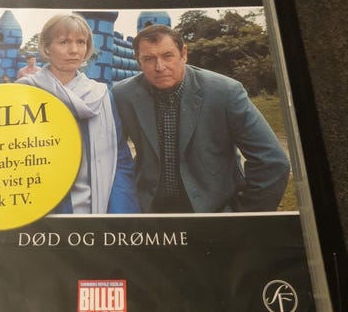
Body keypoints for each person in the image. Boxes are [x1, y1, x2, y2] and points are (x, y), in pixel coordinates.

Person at [112, 25, 290, 214]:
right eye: (149, 59)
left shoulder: (225, 92)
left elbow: (273, 162)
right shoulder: (123, 94)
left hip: (214, 212)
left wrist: (244, 216)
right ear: (138, 61)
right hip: (149, 211)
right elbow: (110, 158)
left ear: (183, 54)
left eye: (167, 56)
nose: (160, 67)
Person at [17, 14, 140, 214]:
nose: (74, 50)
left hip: (94, 209)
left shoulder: (101, 96)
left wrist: (119, 215)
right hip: (37, 210)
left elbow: (119, 160)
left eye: (81, 42)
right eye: (64, 42)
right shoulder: (24, 92)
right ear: (47, 48)